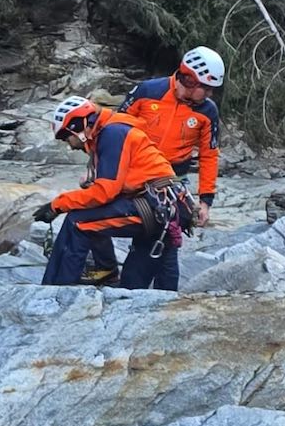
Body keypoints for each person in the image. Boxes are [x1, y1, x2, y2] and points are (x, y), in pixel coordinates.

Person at [84, 46, 226, 287]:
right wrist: (95, 166)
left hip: (171, 180)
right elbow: (113, 127)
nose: (210, 95)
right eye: (208, 89)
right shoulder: (148, 90)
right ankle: (106, 267)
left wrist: (205, 200)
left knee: (165, 237)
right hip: (132, 169)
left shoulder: (207, 112)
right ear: (190, 79)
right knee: (93, 207)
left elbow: (209, 156)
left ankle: (163, 293)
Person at [36, 96, 191, 290]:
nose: (69, 144)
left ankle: (55, 291)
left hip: (155, 206)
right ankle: (113, 276)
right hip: (163, 207)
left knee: (78, 222)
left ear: (78, 126)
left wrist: (57, 204)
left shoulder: (112, 133)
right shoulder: (111, 131)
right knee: (131, 285)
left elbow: (104, 192)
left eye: (66, 137)